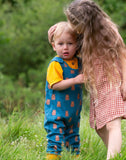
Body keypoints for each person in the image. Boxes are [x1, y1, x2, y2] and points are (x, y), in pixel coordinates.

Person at [65, 0, 126, 159]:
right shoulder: (82, 32)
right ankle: (117, 155)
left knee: (112, 124)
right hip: (97, 85)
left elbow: (123, 55)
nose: (70, 25)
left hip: (113, 80)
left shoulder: (107, 30)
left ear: (85, 22)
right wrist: (55, 30)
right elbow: (64, 37)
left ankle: (113, 157)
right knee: (100, 127)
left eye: (72, 22)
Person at [44, 21, 84, 160]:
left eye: (70, 43)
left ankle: (75, 157)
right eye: (60, 44)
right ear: (54, 46)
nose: (65, 48)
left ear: (77, 45)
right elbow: (55, 85)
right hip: (56, 112)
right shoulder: (56, 64)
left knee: (73, 139)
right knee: (55, 139)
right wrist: (75, 80)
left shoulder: (79, 62)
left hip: (73, 112)